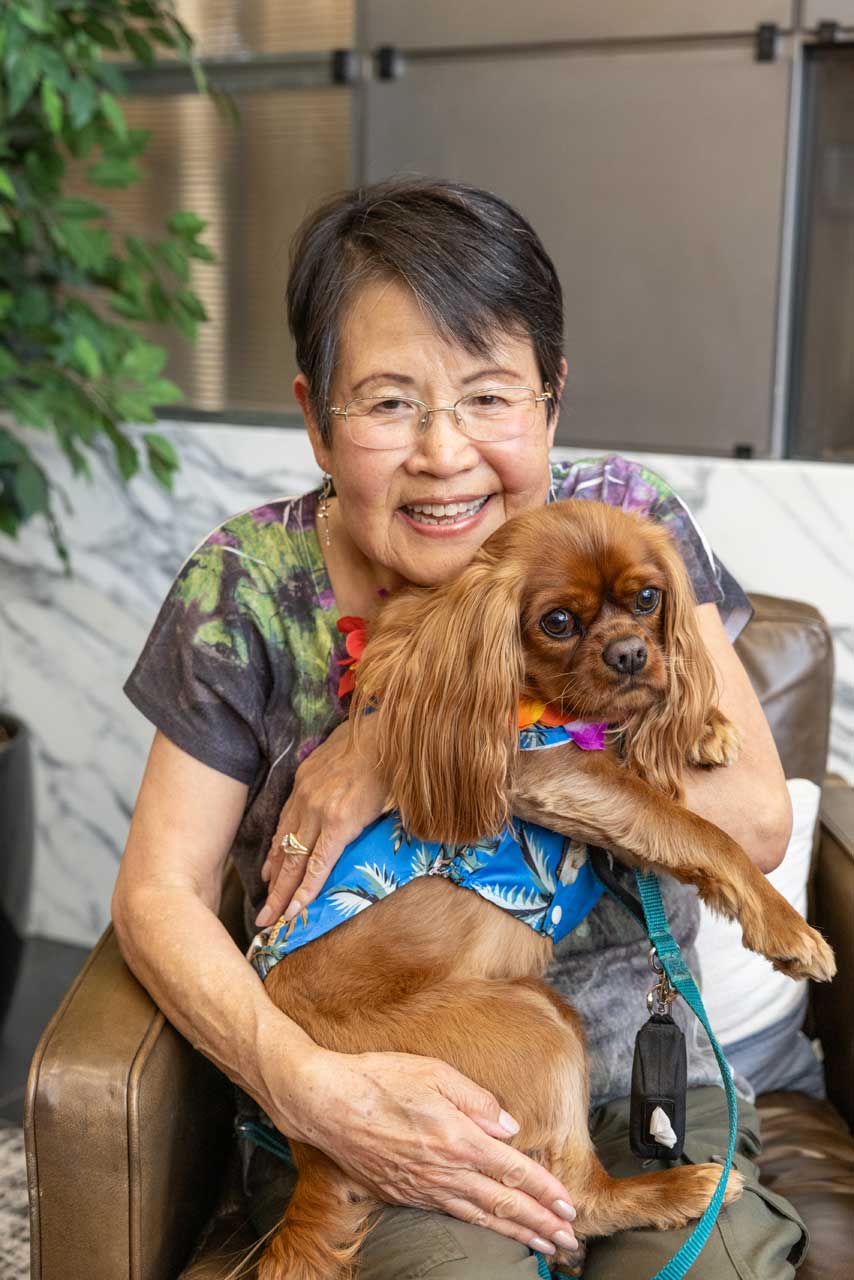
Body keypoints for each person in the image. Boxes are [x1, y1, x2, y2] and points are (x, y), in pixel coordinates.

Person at [114, 177, 808, 1278]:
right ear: (312, 417)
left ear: (550, 399)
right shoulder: (247, 584)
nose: (443, 453)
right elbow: (157, 891)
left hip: (640, 1083)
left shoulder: (624, 521)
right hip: (378, 1083)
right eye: (388, 402)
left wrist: (402, 746)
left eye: (490, 396)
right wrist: (309, 1085)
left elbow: (754, 819)